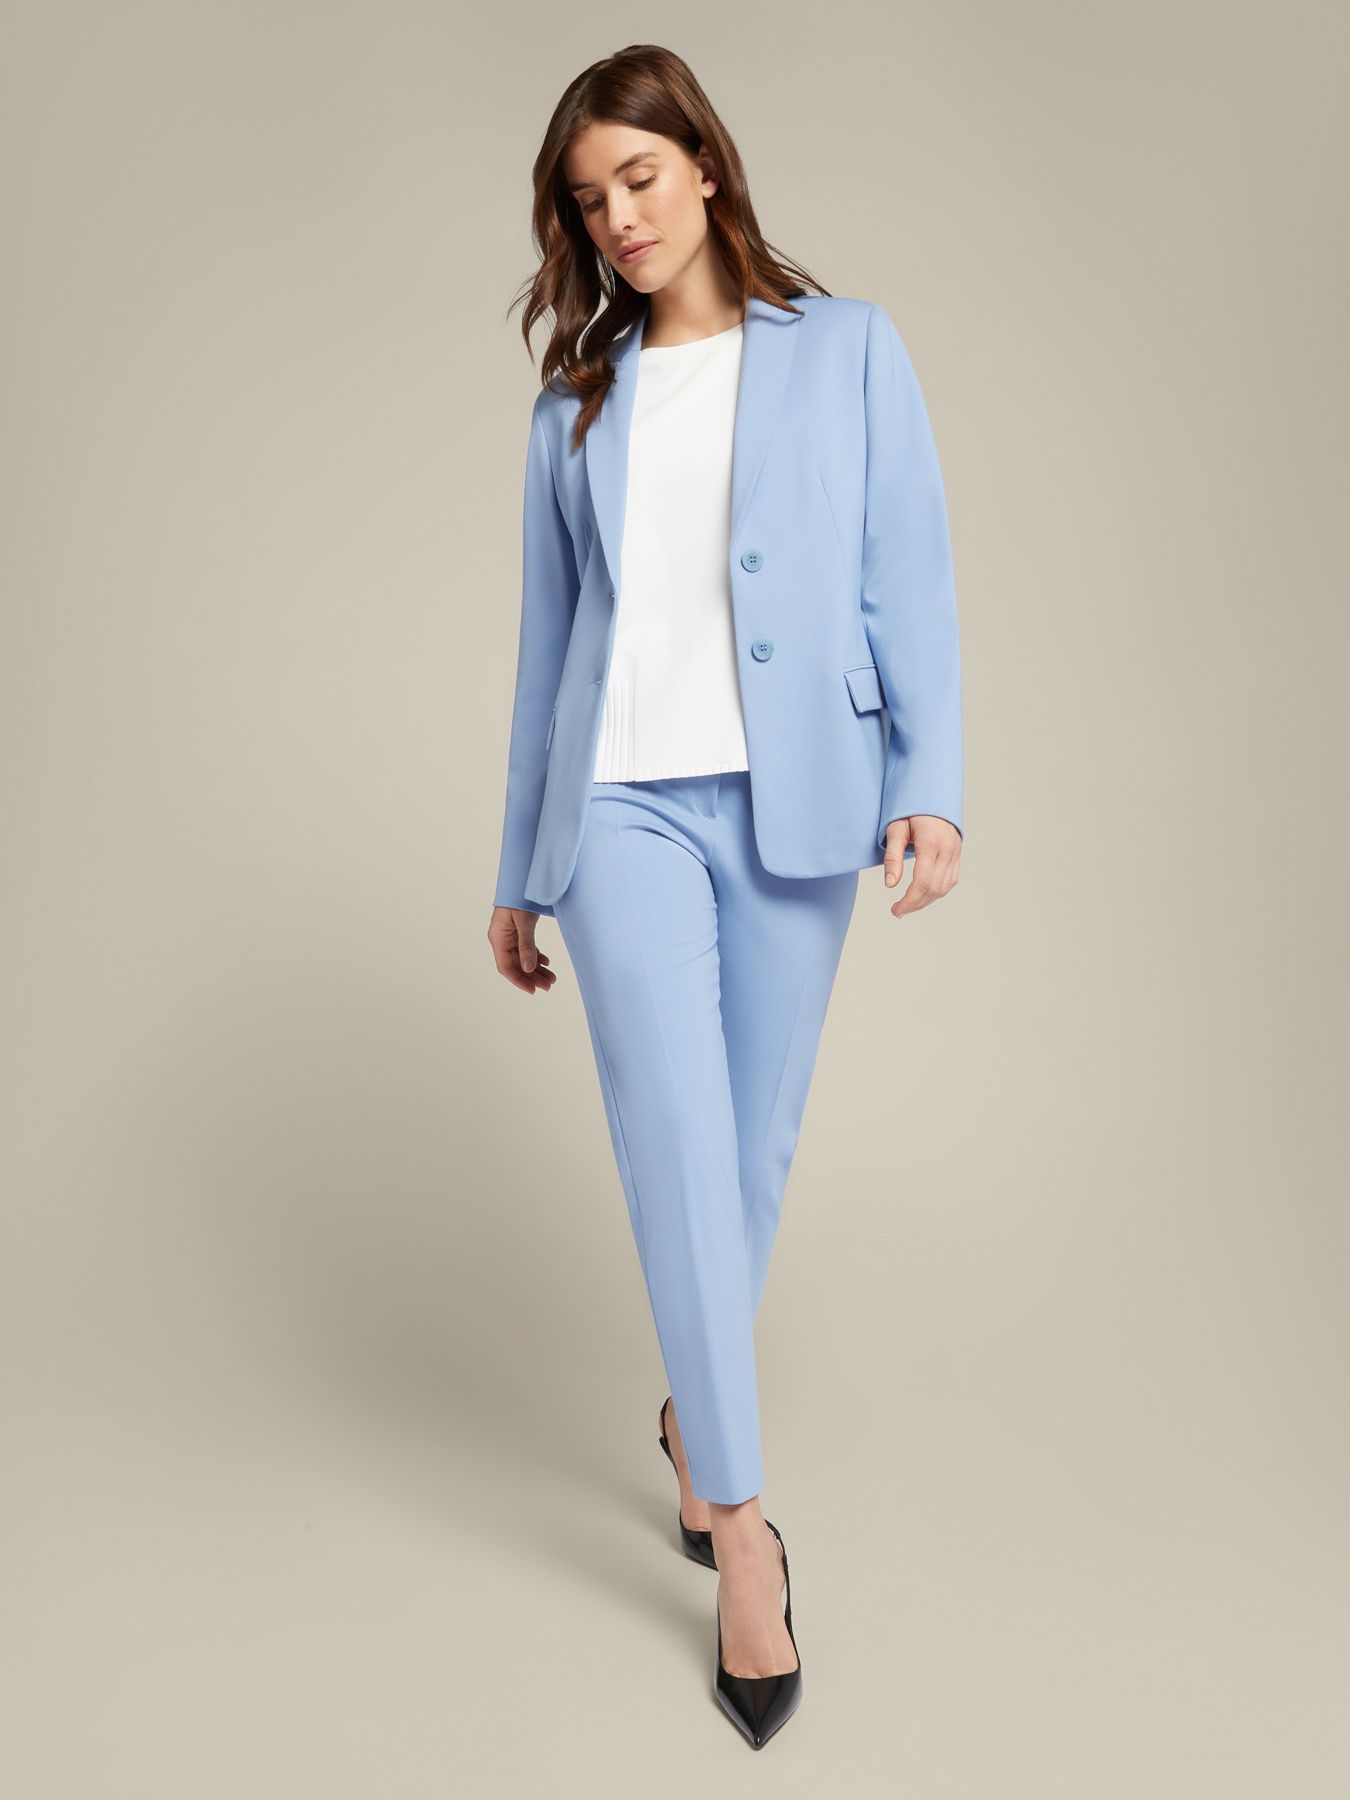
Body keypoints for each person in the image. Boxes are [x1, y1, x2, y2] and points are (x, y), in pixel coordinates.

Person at [486, 44, 964, 1750]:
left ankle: (694, 1419)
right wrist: (517, 866)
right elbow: (548, 644)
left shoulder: (845, 348)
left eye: (637, 177)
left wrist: (927, 780)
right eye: (586, 200)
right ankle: (743, 1533)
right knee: (679, 1140)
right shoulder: (576, 406)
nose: (615, 218)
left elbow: (907, 567)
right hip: (619, 807)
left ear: (703, 164)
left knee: (749, 1146)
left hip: (794, 798)